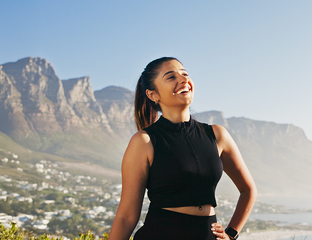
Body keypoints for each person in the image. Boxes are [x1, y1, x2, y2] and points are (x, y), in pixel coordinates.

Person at [109, 57, 257, 240]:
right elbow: (126, 217)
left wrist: (231, 233)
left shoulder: (217, 135)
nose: (183, 79)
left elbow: (248, 190)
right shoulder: (144, 142)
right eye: (171, 77)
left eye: (185, 74)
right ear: (153, 94)